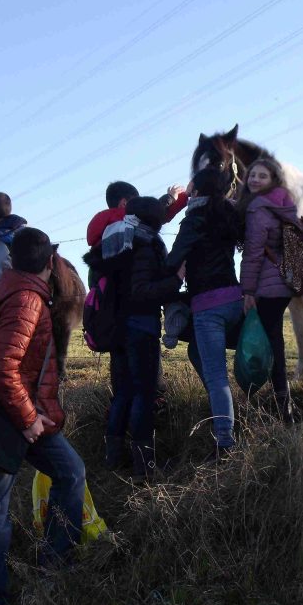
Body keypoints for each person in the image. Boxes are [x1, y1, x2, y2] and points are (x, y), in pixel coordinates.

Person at [0, 227, 86, 605]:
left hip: (27, 418)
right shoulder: (26, 301)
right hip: (10, 422)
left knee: (71, 472)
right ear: (47, 260)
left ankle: (53, 565)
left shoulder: (19, 290)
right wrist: (27, 418)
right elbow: (3, 367)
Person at [85, 197, 184, 480]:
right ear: (153, 222)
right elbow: (142, 291)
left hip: (117, 329)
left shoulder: (117, 241)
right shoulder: (144, 246)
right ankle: (145, 467)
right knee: (144, 393)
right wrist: (176, 279)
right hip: (140, 327)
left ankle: (112, 459)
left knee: (124, 393)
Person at [167, 167, 243, 461]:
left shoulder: (195, 219)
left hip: (207, 306)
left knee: (216, 377)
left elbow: (174, 258)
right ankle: (226, 411)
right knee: (196, 354)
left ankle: (225, 443)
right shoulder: (227, 214)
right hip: (234, 299)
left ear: (197, 192)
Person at [236, 158, 299, 422]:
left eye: (262, 176)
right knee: (275, 340)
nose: (255, 180)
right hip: (284, 281)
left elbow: (252, 253)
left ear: (273, 179)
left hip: (266, 283)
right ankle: (283, 402)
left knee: (269, 342)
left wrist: (247, 290)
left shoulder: (258, 207)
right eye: (252, 175)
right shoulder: (282, 202)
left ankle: (280, 404)